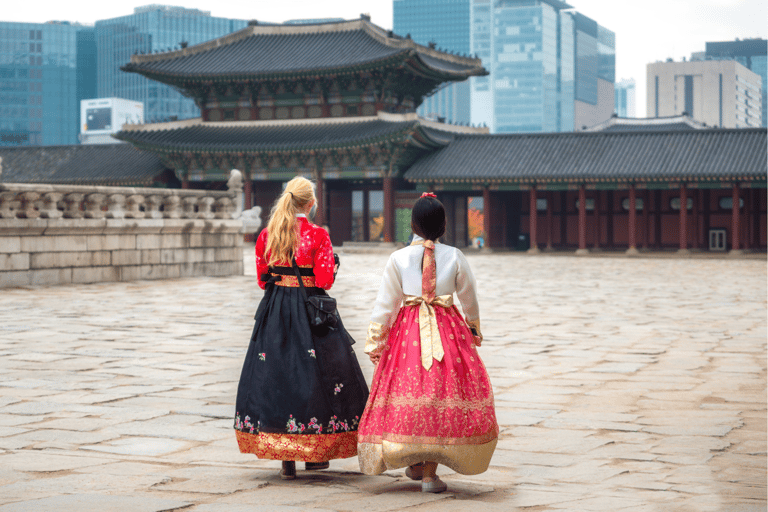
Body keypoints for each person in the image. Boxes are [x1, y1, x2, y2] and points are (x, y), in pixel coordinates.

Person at [357, 192, 498, 493]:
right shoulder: (455, 256)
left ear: (414, 224)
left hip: (407, 334)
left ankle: (416, 461)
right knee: (439, 395)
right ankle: (427, 474)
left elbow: (386, 303)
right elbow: (469, 297)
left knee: (411, 393)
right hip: (448, 331)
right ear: (443, 225)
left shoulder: (398, 258)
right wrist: (472, 328)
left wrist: (376, 340)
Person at [234, 176, 369, 480]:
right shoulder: (318, 235)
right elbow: (323, 281)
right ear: (310, 203)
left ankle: (285, 459)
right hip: (310, 312)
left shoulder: (268, 234)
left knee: (277, 374)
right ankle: (314, 454)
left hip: (276, 310)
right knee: (318, 376)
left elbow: (261, 278)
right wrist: (332, 265)